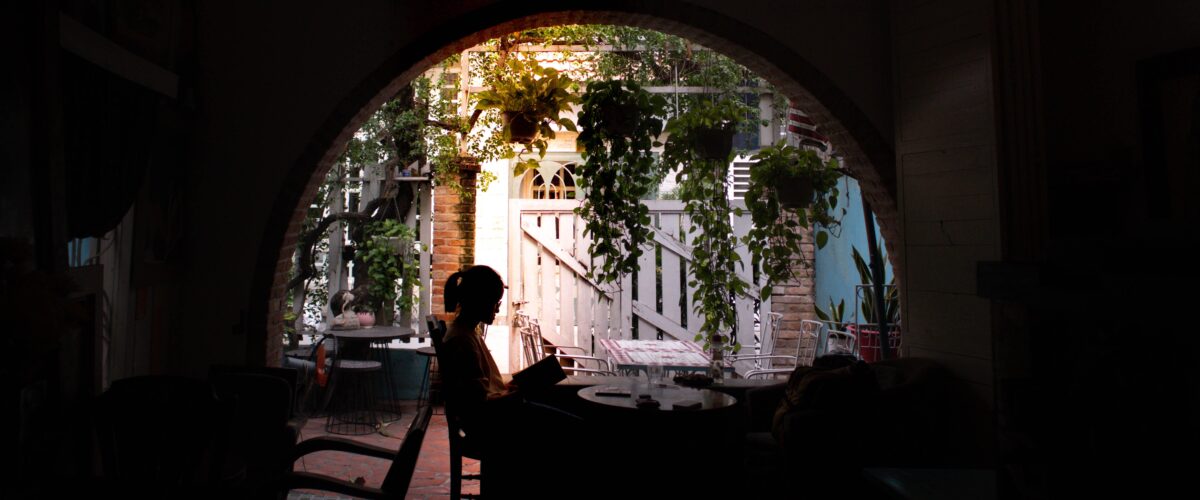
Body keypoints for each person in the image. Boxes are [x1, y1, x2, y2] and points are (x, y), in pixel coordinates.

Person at [437, 265, 579, 496]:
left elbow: (483, 389)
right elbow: (479, 406)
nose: (498, 307)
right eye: (495, 301)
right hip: (490, 426)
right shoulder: (462, 341)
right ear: (479, 300)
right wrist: (519, 394)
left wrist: (513, 388)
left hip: (493, 417)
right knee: (570, 430)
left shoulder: (467, 332)